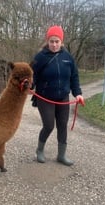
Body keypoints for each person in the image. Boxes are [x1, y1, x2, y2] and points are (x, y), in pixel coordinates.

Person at [31, 25, 85, 166]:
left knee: (62, 126)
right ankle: (40, 150)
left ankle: (61, 155)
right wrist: (29, 87)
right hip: (45, 97)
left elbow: (74, 77)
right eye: (51, 41)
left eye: (57, 41)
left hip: (63, 98)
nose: (54, 44)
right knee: (49, 125)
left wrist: (78, 94)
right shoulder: (40, 57)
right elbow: (32, 75)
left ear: (61, 42)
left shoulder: (68, 58)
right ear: (47, 41)